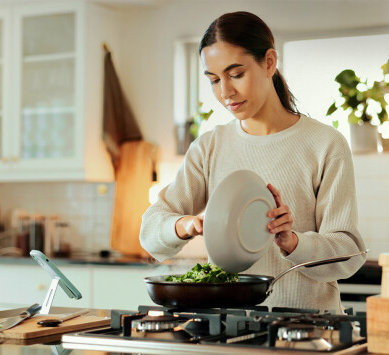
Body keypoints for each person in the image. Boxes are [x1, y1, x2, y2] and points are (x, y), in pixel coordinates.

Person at [140, 11, 366, 312]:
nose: (225, 92)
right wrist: (188, 224)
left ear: (269, 62)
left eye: (236, 74)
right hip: (229, 328)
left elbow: (349, 252)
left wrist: (294, 243)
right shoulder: (209, 146)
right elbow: (150, 234)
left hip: (306, 331)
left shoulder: (325, 144)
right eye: (214, 80)